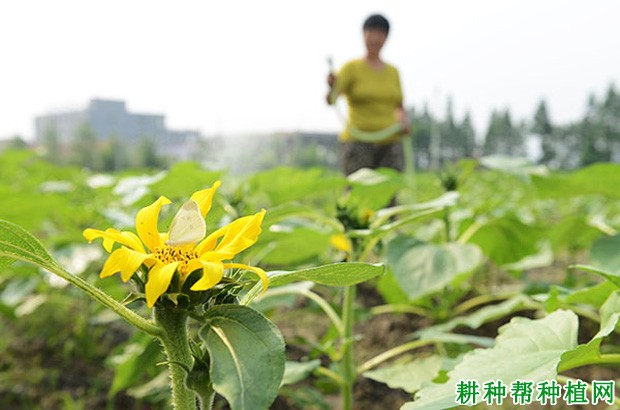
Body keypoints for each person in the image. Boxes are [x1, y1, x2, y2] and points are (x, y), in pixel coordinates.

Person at [326, 13, 410, 175]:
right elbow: (332, 99)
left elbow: (399, 106)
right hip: (357, 143)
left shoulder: (393, 72)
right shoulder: (351, 68)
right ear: (363, 35)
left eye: (380, 34)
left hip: (390, 143)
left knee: (388, 193)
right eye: (370, 32)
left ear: (386, 38)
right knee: (357, 195)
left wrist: (404, 121)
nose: (374, 38)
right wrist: (331, 86)